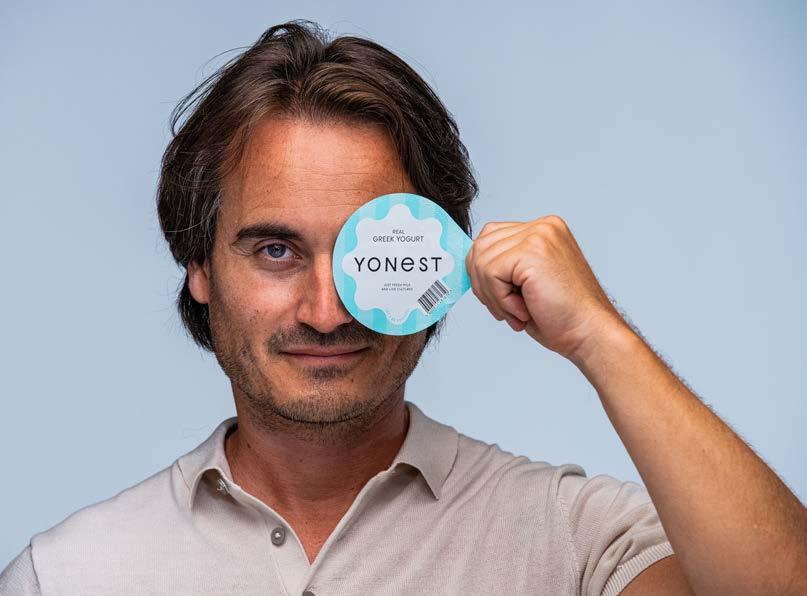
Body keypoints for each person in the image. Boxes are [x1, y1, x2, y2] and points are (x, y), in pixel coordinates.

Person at [2, 20, 805, 596]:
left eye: (368, 255)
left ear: (439, 258)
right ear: (199, 267)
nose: (325, 311)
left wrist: (600, 336)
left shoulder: (572, 542)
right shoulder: (68, 576)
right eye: (275, 250)